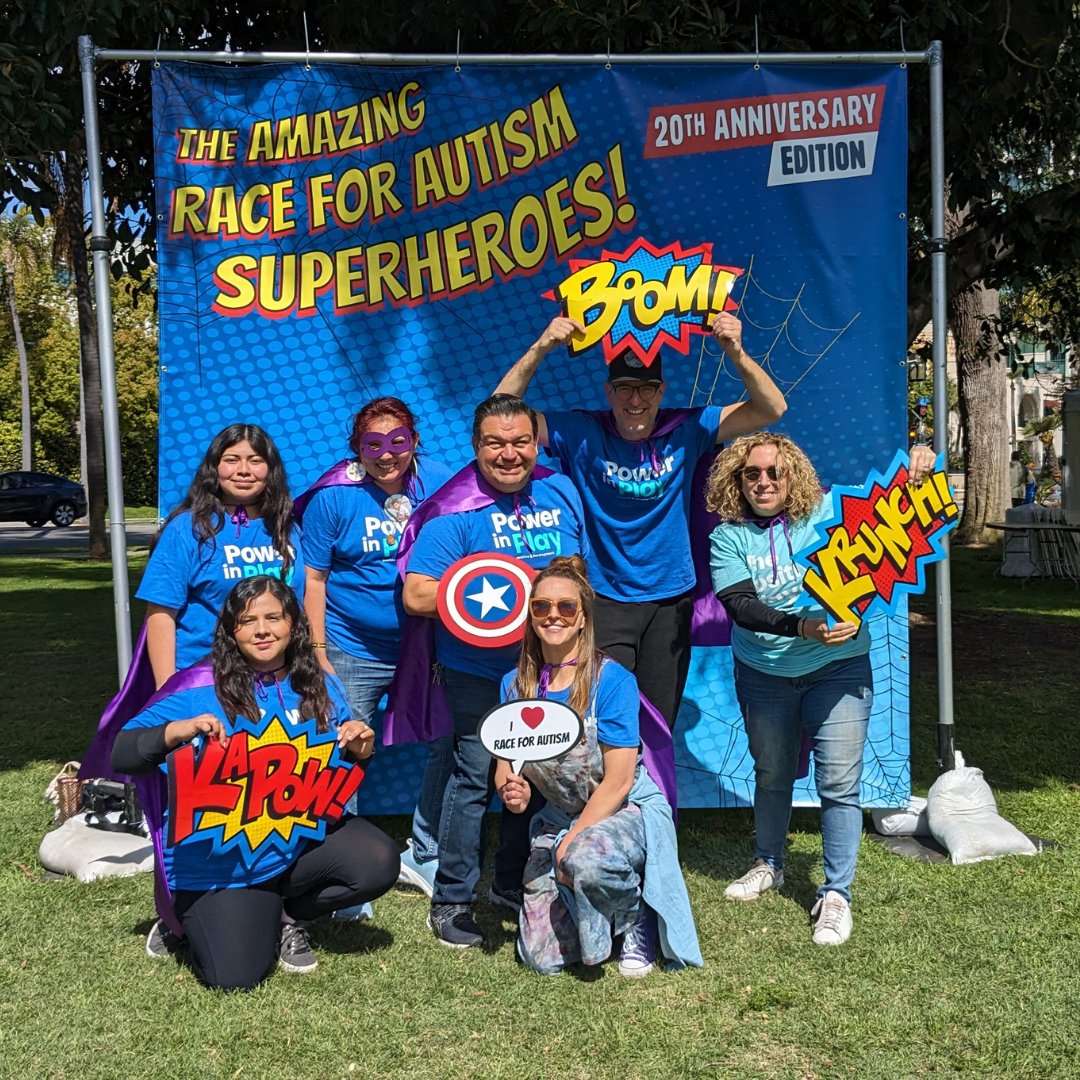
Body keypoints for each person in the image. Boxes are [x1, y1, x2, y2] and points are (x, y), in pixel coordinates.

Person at [495, 312, 786, 728]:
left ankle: (650, 797)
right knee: (600, 720)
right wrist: (541, 347)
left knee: (657, 722)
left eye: (646, 388)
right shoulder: (581, 431)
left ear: (661, 390)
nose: (636, 400)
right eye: (625, 389)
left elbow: (772, 408)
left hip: (670, 601)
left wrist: (735, 352)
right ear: (609, 392)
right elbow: (499, 415)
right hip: (604, 598)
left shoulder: (688, 428)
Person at [111, 576, 399, 991]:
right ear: (231, 632)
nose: (262, 630)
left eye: (273, 617)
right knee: (237, 977)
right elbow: (122, 752)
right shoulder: (196, 687)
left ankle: (286, 916)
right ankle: (185, 921)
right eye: (248, 621)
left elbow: (332, 783)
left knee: (376, 860)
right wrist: (175, 730)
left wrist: (360, 751)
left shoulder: (320, 684)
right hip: (217, 862)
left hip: (289, 843)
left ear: (293, 624)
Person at [705, 433, 935, 945]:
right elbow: (741, 607)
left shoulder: (832, 509)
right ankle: (770, 863)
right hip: (764, 672)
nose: (763, 482)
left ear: (794, 476)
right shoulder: (729, 536)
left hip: (840, 668)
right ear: (736, 481)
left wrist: (920, 466)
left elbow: (907, 511)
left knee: (839, 783)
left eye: (774, 473)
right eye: (752, 474)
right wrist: (803, 627)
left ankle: (837, 894)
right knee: (772, 773)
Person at [401, 394, 589, 949]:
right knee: (474, 777)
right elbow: (416, 594)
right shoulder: (454, 509)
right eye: (495, 443)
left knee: (536, 778)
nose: (509, 454)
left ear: (536, 442)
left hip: (546, 672)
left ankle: (511, 881)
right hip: (477, 673)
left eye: (520, 441)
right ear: (475, 447)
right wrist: (507, 592)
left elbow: (575, 572)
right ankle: (453, 898)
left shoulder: (560, 490)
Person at [496, 556, 702, 977]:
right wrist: (512, 794)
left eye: (566, 607)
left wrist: (573, 838)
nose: (553, 615)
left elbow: (621, 779)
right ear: (531, 614)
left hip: (623, 810)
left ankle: (633, 915)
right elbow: (506, 766)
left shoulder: (611, 680)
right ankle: (595, 917)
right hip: (556, 816)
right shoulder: (515, 685)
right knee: (542, 959)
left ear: (583, 619)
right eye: (542, 606)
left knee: (585, 859)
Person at [297, 397, 454, 906]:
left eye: (398, 442)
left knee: (449, 743)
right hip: (350, 647)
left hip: (427, 647)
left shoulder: (444, 483)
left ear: (414, 439)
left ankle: (425, 852)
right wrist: (318, 650)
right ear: (356, 448)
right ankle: (344, 865)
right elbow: (314, 579)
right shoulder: (333, 497)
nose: (387, 456)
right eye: (373, 445)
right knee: (341, 750)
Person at [139, 423, 303, 687]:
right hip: (207, 678)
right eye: (232, 460)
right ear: (214, 467)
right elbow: (160, 613)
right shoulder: (187, 529)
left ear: (270, 470)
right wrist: (168, 689)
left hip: (281, 680)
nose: (243, 470)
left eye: (255, 461)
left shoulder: (287, 528)